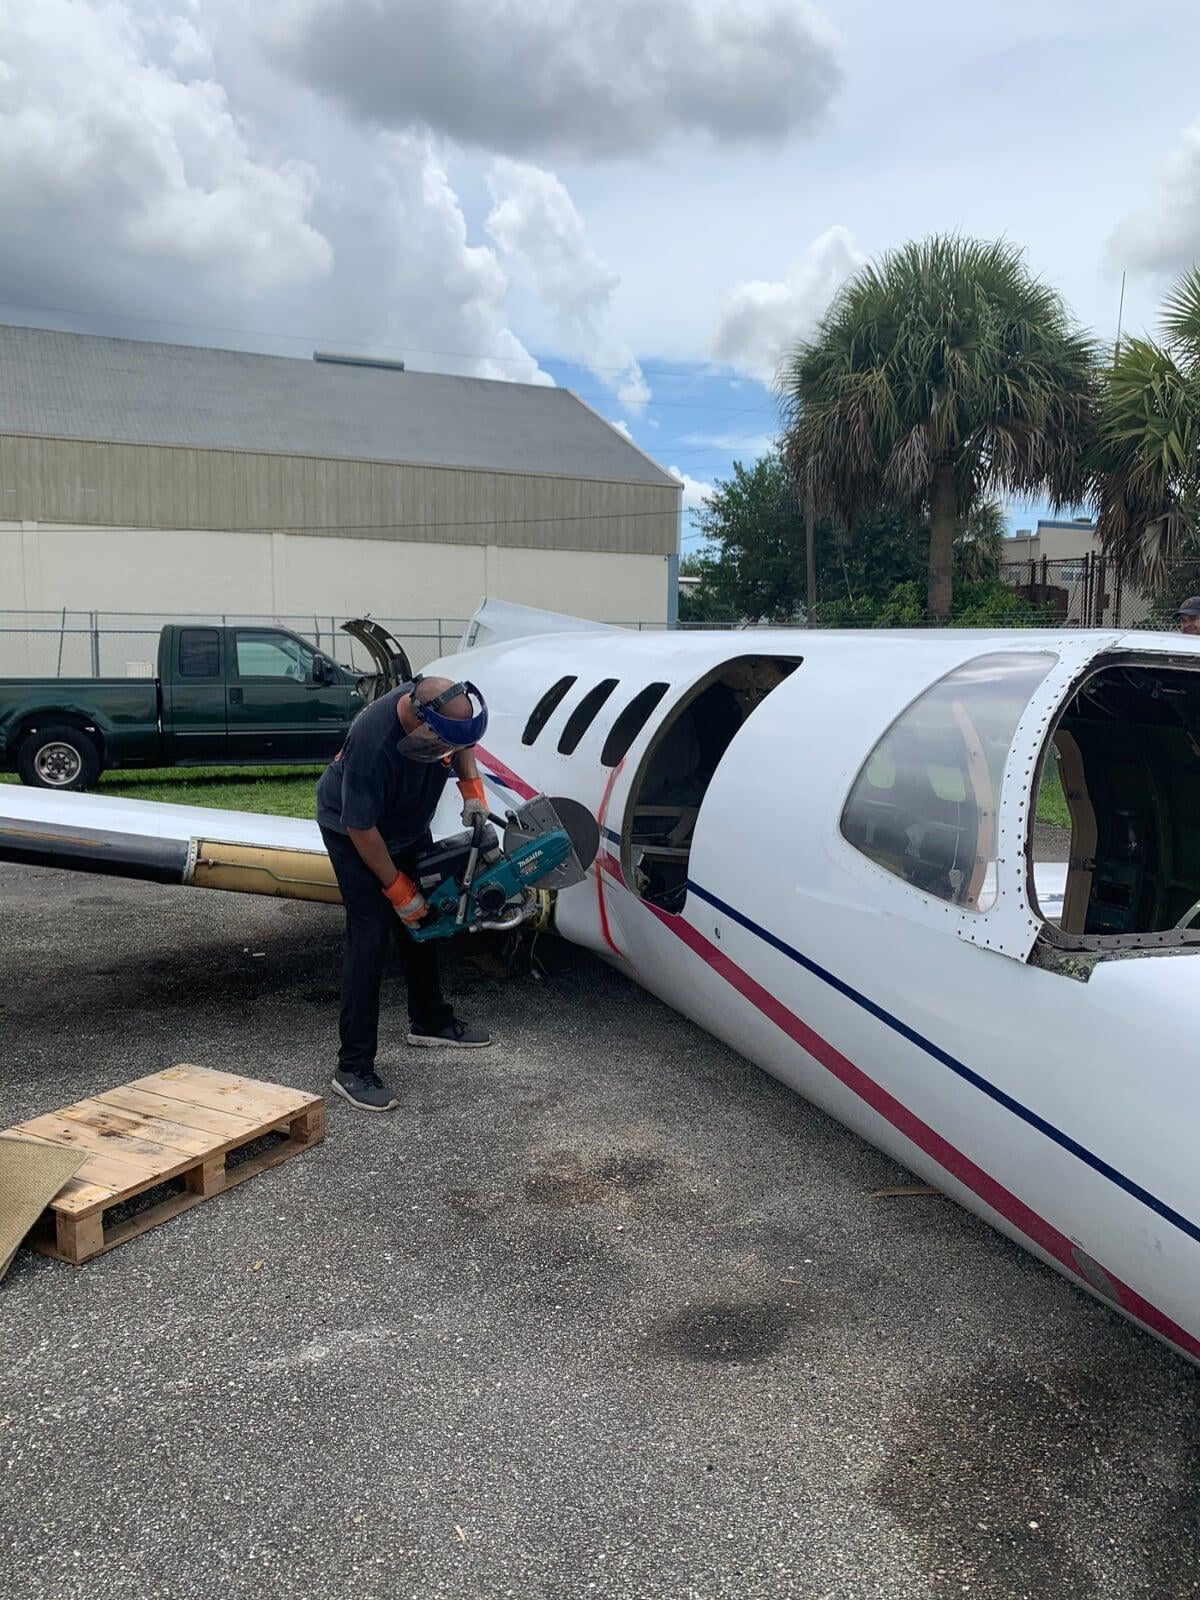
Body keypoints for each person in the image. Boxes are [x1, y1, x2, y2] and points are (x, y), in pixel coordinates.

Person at [316, 675, 493, 1113]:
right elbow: (361, 827)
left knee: (426, 914)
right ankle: (353, 1067)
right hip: (354, 832)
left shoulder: (445, 712)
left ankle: (429, 1019)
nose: (447, 753)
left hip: (406, 826)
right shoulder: (372, 741)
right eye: (442, 741)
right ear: (419, 720)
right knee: (372, 934)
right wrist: (396, 888)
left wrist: (471, 790)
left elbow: (462, 741)